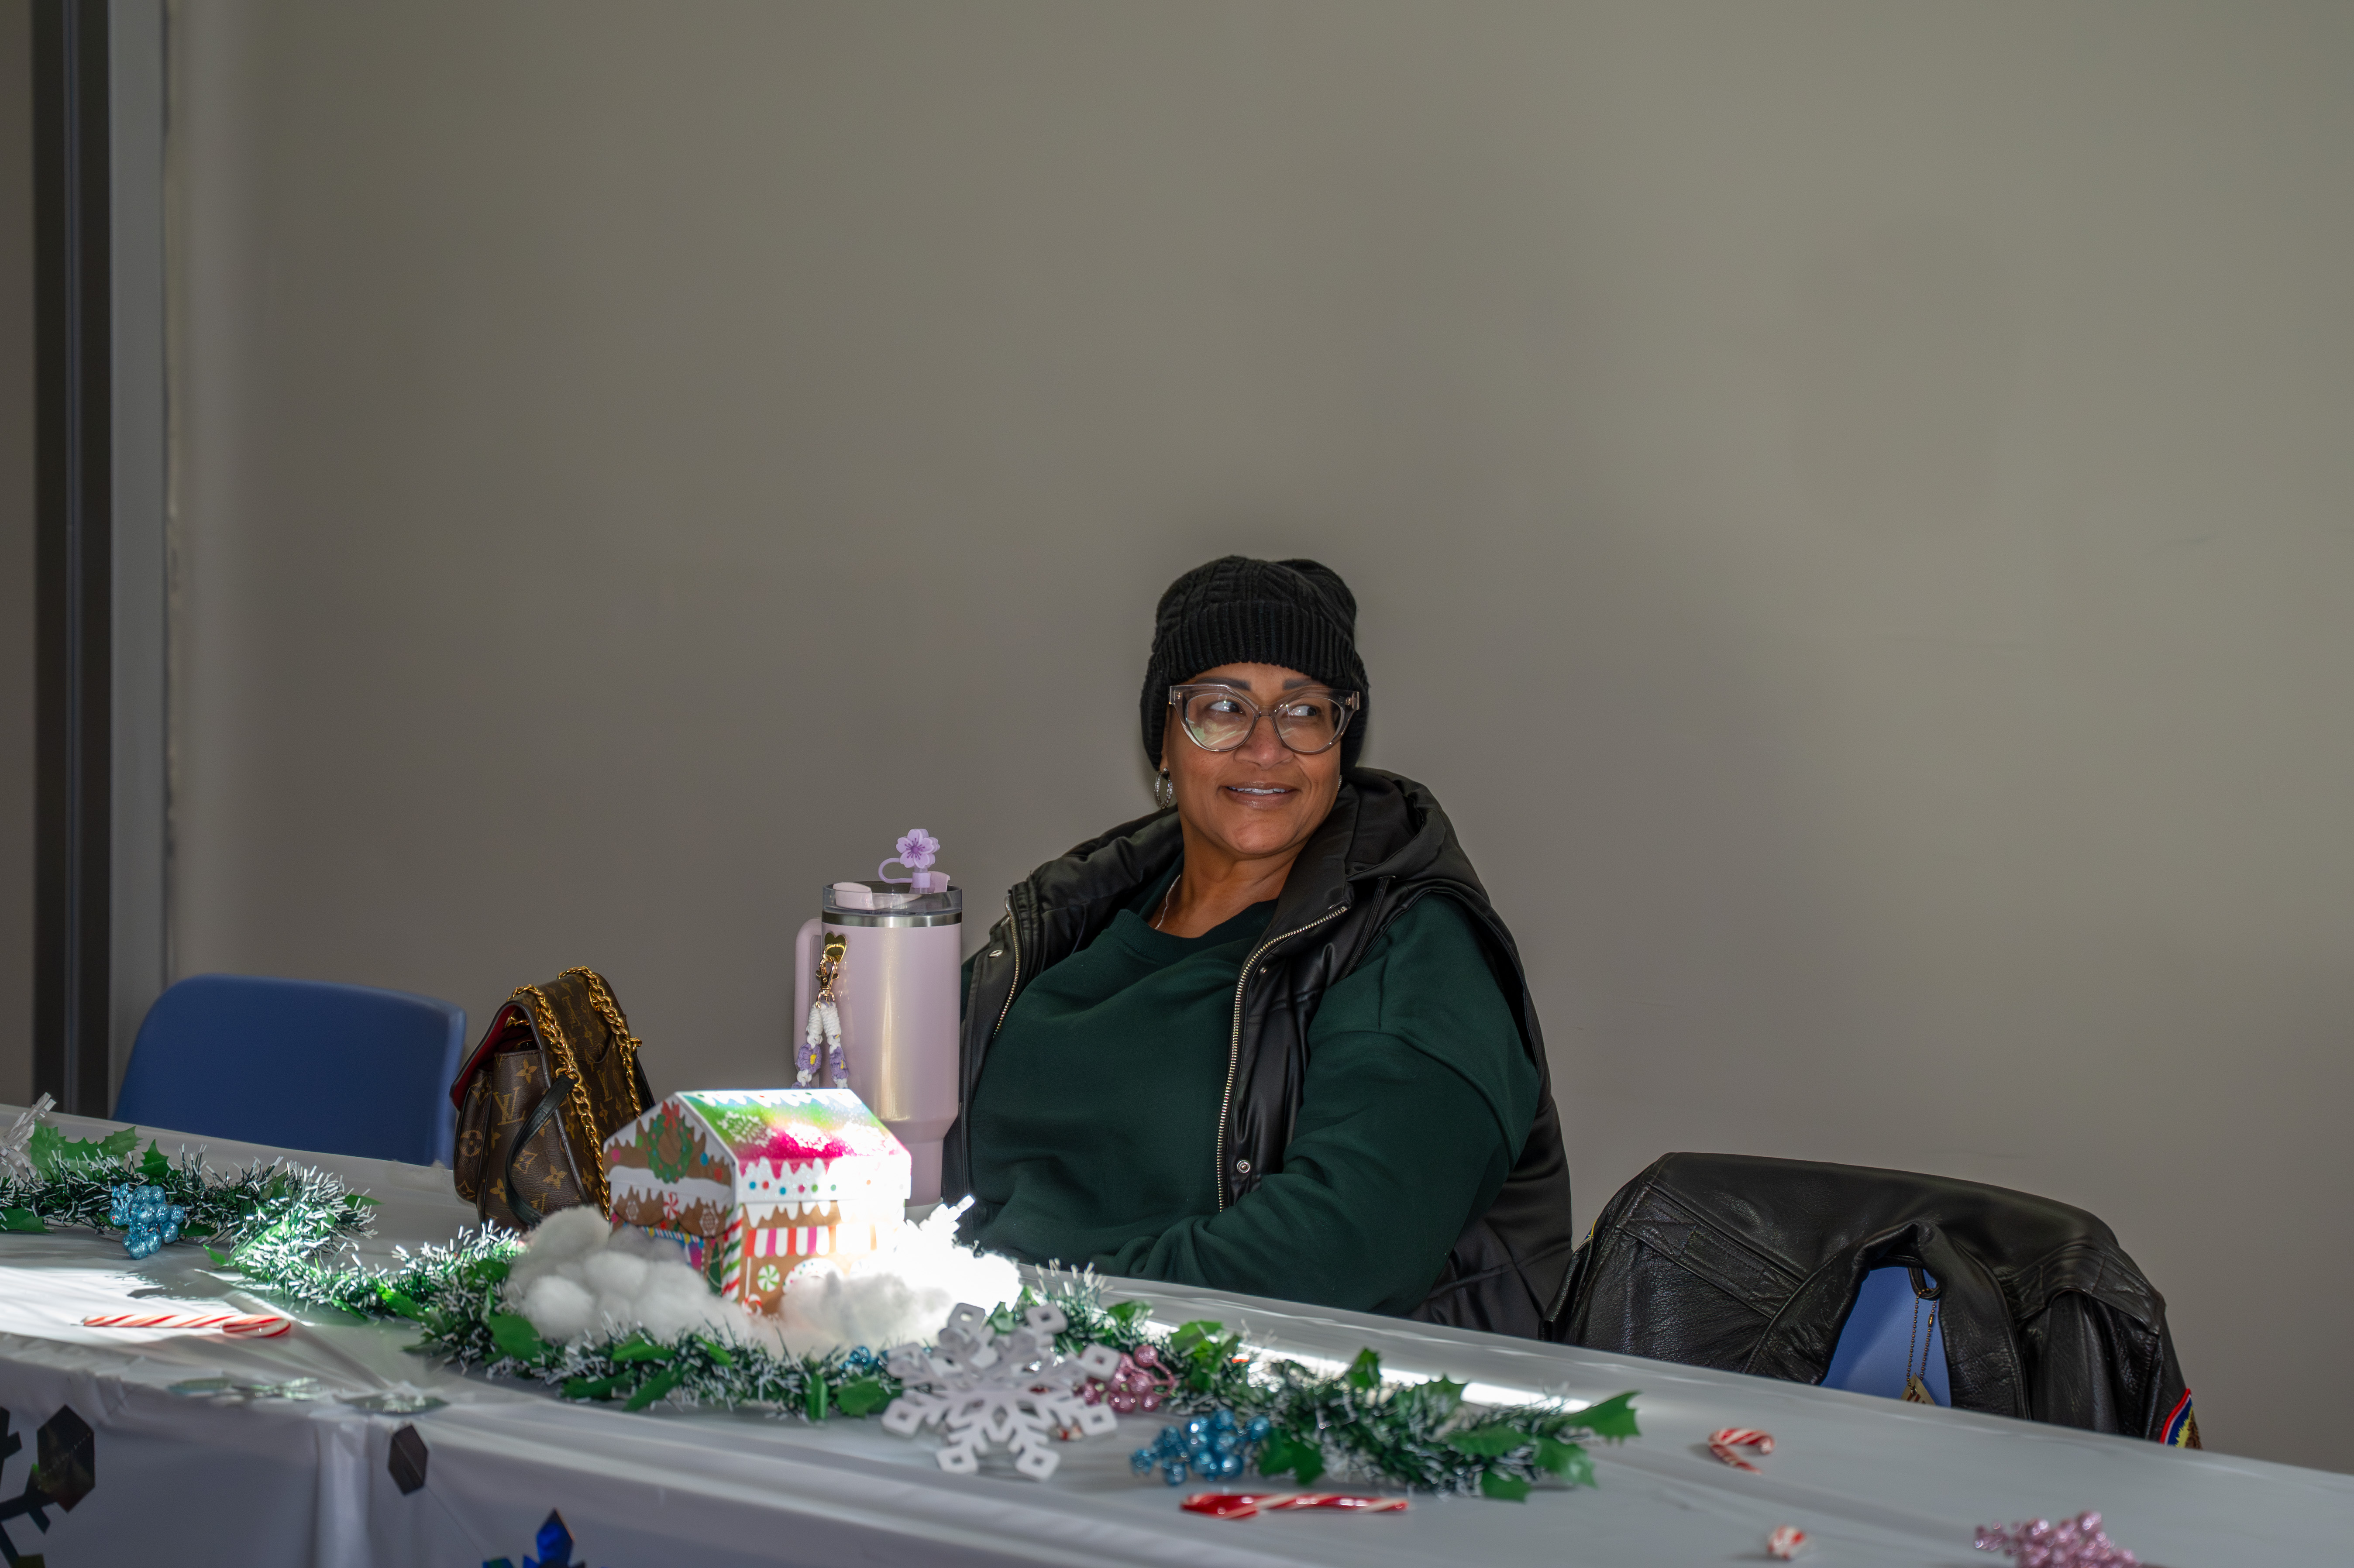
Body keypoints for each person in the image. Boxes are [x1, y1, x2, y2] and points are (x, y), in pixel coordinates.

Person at [943, 556, 1575, 1336]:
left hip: (1252, 1416)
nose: (1266, 748)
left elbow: (1338, 1253)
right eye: (1221, 707)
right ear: (1164, 745)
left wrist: (1032, 1315)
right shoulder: (1069, 919)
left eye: (1305, 711)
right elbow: (894, 1131)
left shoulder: (1413, 947)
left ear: (1340, 746)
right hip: (968, 1364)